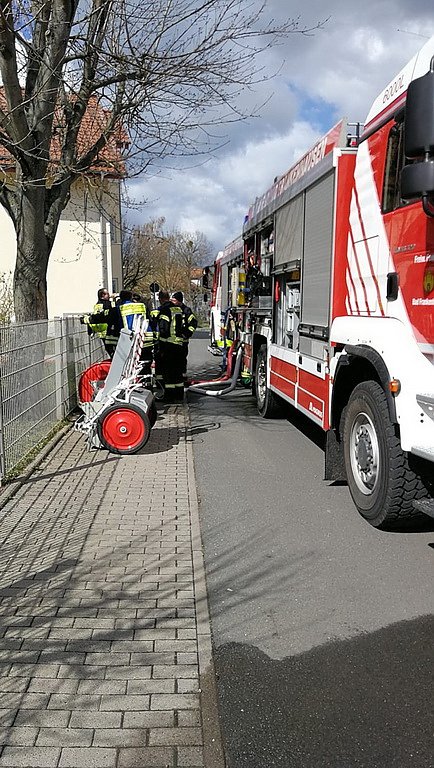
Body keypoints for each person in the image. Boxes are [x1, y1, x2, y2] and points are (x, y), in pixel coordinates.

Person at [87, 289, 149, 358]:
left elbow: (102, 316)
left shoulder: (118, 308)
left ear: (121, 298)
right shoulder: (142, 306)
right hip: (143, 340)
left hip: (124, 340)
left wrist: (87, 320)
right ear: (131, 297)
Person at [157, 291, 185, 402]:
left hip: (169, 345)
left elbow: (163, 329)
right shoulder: (177, 309)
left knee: (168, 372)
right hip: (179, 344)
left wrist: (161, 346)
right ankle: (179, 395)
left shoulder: (165, 310)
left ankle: (169, 396)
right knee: (177, 372)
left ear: (160, 299)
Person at [170, 291, 197, 382]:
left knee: (182, 359)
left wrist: (187, 334)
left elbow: (193, 323)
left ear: (179, 301)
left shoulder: (186, 310)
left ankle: (183, 375)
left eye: (174, 300)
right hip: (173, 340)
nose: (172, 302)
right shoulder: (171, 309)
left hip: (183, 341)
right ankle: (175, 375)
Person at [85, 288, 116, 358]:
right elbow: (115, 312)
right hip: (109, 330)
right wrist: (115, 298)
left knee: (108, 349)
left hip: (101, 332)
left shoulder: (97, 305)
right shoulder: (109, 304)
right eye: (107, 294)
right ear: (102, 295)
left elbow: (94, 318)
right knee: (114, 349)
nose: (109, 295)